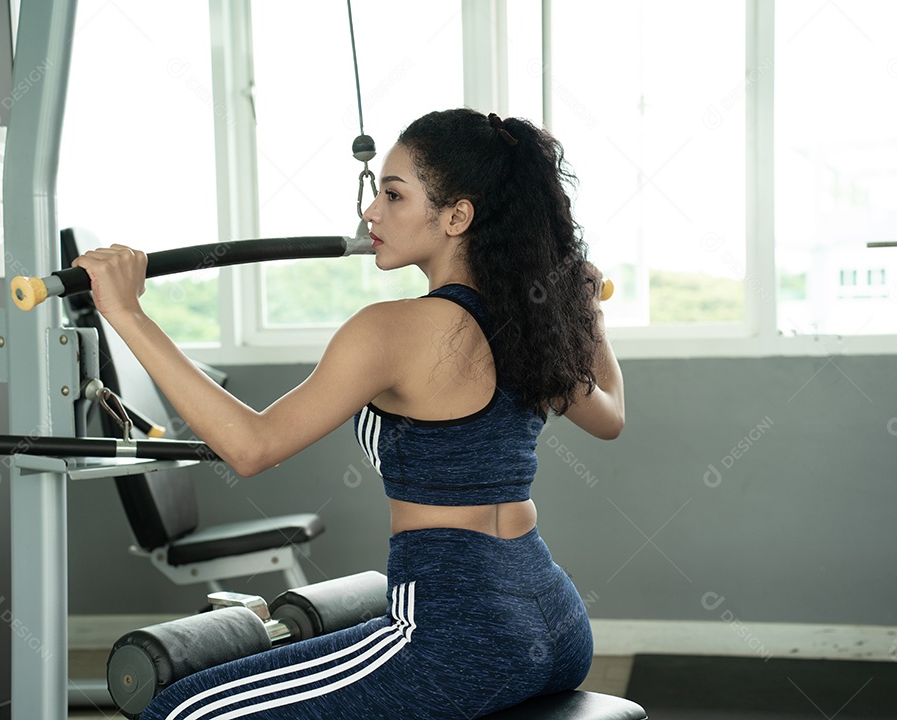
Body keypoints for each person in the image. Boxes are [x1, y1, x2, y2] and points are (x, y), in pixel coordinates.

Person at [74, 107, 624, 719]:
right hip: (555, 622)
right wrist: (588, 315)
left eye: (393, 195)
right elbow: (611, 417)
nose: (371, 213)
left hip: (454, 633)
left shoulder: (391, 329)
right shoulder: (532, 326)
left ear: (457, 216)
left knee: (178, 711)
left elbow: (250, 447)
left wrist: (126, 314)